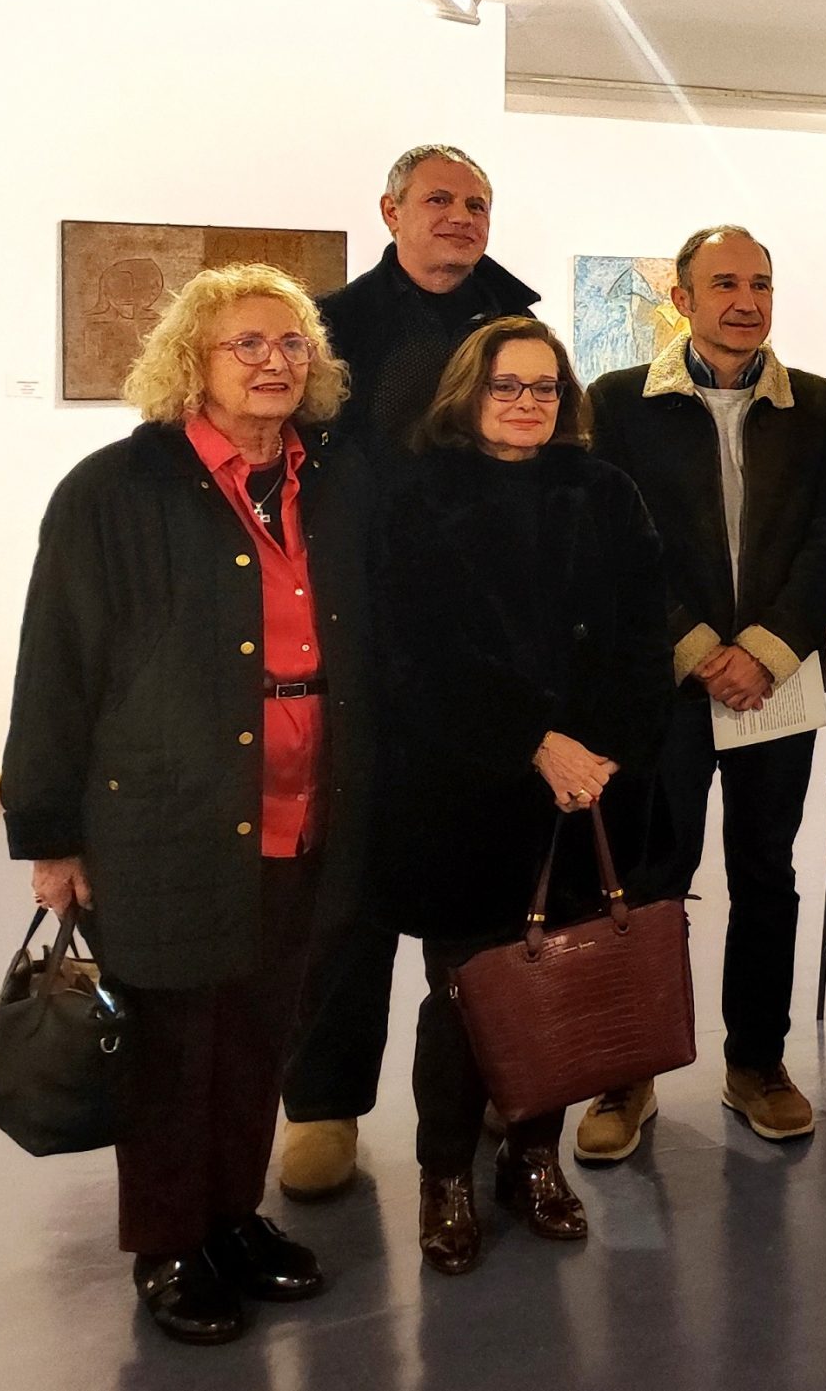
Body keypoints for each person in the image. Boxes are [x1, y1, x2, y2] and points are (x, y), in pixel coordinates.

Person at [2, 265, 371, 1344]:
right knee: (171, 1038)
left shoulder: (329, 482)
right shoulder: (115, 490)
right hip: (164, 807)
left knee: (261, 1027)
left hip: (301, 803)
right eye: (246, 345)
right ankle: (168, 1241)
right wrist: (50, 832)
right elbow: (56, 664)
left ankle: (230, 1214)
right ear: (192, 362)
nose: (273, 363)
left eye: (292, 345)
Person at [370, 317, 669, 1274]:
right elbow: (413, 656)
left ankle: (534, 1157)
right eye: (508, 385)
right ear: (469, 390)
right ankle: (445, 1175)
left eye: (544, 387)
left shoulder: (604, 490)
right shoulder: (416, 497)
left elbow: (640, 639)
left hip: (585, 796)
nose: (527, 402)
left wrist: (598, 754)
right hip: (465, 792)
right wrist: (532, 741)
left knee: (556, 985)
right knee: (466, 995)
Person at [280, 142, 541, 1200]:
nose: (460, 216)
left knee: (481, 885)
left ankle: (484, 1084)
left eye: (477, 201)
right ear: (390, 210)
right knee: (348, 888)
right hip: (361, 632)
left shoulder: (517, 327)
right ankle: (325, 1102)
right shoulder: (330, 330)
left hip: (482, 637)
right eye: (439, 199)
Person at [579, 225, 826, 1161]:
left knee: (765, 877)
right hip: (666, 686)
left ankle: (758, 1064)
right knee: (650, 883)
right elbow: (614, 542)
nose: (747, 300)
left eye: (762, 283)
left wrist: (770, 649)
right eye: (725, 283)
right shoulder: (618, 403)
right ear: (684, 298)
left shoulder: (817, 406)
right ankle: (628, 1073)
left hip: (775, 686)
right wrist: (701, 649)